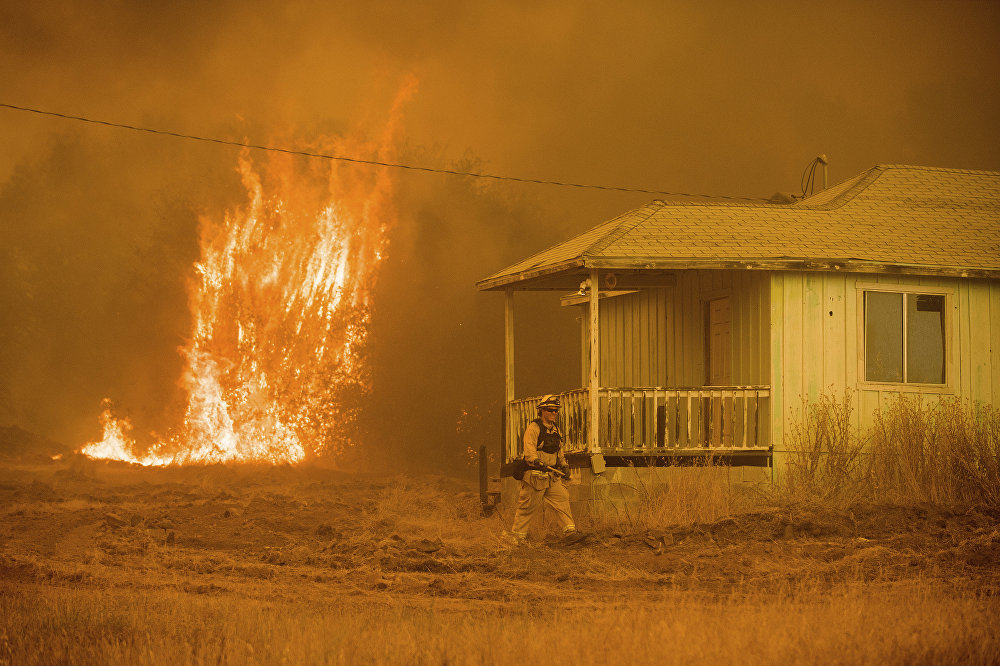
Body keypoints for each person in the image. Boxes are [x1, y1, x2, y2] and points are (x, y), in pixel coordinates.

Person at [510, 395, 585, 545]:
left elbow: (559, 451)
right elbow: (529, 450)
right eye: (550, 410)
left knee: (562, 500)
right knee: (527, 507)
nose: (554, 413)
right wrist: (536, 461)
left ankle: (570, 533)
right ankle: (515, 539)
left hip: (551, 476)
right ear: (542, 411)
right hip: (535, 477)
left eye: (556, 410)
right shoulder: (534, 428)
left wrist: (564, 465)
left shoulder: (555, 429)